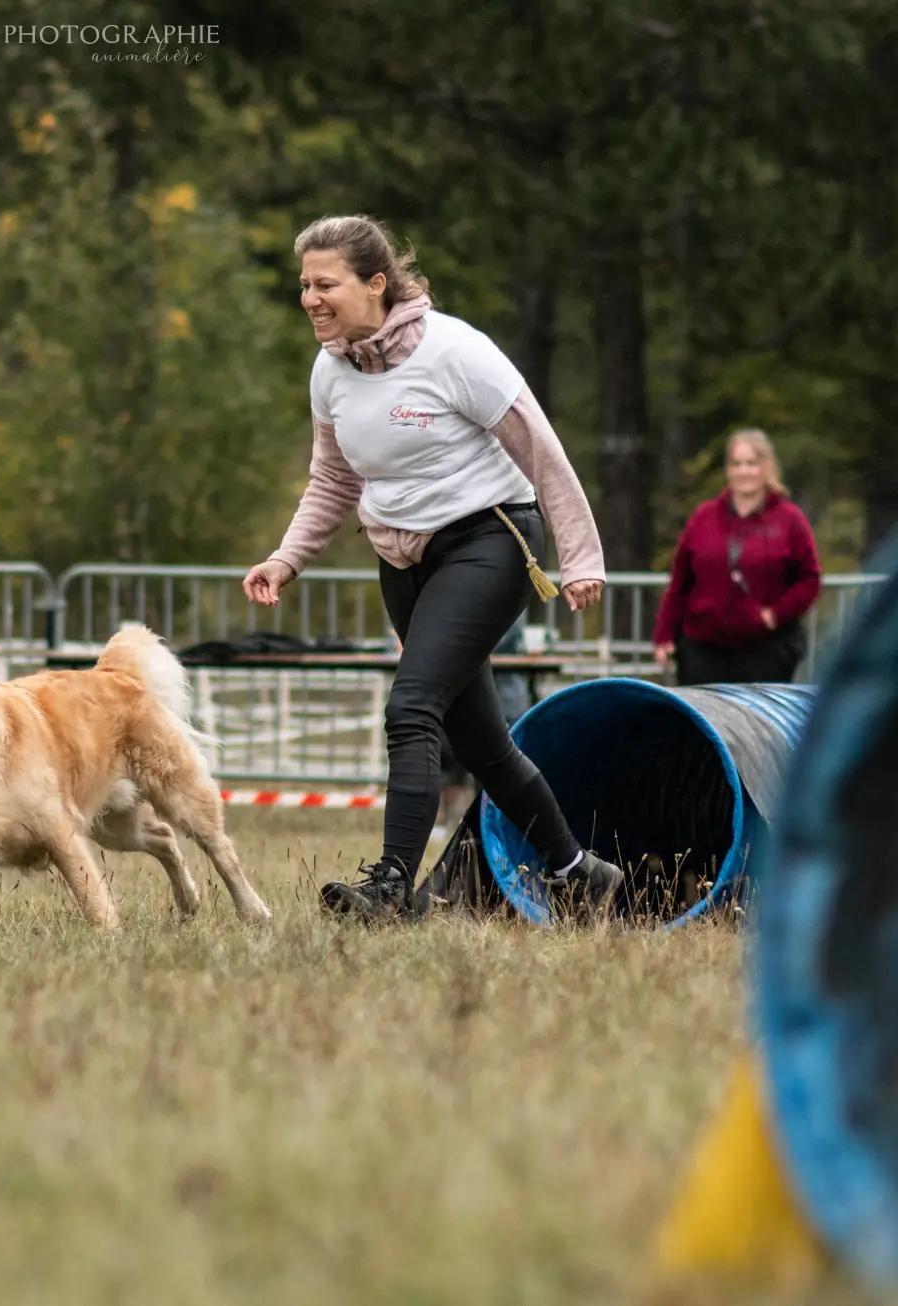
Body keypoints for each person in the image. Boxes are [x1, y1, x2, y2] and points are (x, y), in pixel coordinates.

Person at [242, 214, 623, 920]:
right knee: (481, 742)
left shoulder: (455, 353)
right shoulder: (330, 371)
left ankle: (390, 886)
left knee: (411, 706)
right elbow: (332, 481)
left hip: (489, 542)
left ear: (376, 284)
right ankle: (582, 874)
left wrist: (580, 559)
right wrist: (285, 558)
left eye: (326, 284)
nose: (310, 299)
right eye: (304, 286)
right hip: (402, 559)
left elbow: (542, 451)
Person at [650, 429, 821, 686]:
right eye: (736, 463)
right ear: (728, 470)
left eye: (751, 463)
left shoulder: (789, 519)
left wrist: (776, 614)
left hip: (764, 651)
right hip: (702, 648)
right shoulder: (704, 517)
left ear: (766, 467)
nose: (744, 471)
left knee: (755, 724)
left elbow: (809, 579)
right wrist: (663, 635)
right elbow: (680, 582)